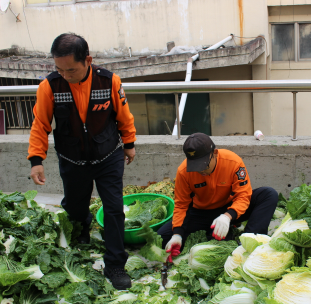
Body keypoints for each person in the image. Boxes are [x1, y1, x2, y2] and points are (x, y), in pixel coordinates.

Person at [28, 33, 136, 290]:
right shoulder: (50, 86)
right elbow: (40, 124)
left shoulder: (109, 81)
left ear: (87, 60)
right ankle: (83, 225)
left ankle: (115, 263)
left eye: (71, 69)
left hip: (108, 156)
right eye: (59, 69)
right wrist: (36, 159)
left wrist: (129, 144)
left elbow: (124, 115)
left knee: (113, 209)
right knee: (75, 208)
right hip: (72, 158)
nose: (65, 75)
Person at [158, 133, 278, 261]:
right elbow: (181, 205)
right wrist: (177, 234)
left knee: (268, 194)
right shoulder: (184, 171)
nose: (201, 171)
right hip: (200, 213)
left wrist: (228, 216)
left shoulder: (233, 162)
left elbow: (243, 195)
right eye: (196, 167)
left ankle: (248, 240)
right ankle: (213, 233)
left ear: (214, 153)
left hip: (229, 209)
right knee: (162, 237)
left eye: (204, 165)